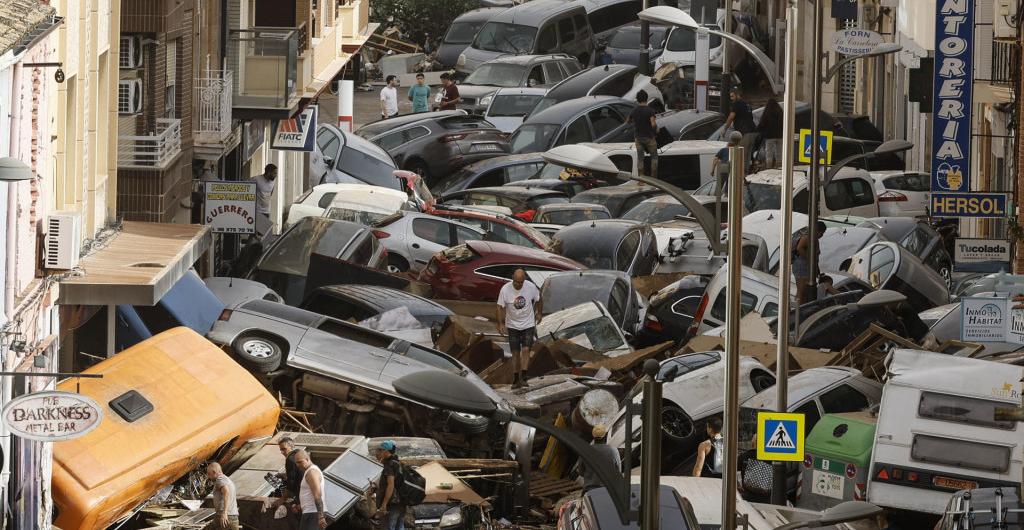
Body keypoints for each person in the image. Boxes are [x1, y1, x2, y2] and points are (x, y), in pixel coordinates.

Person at [496, 268, 542, 389]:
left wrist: (539, 313)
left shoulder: (531, 287)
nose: (518, 285)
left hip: (528, 324)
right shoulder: (505, 289)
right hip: (512, 325)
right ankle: (516, 378)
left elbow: (539, 298)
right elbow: (499, 307)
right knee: (515, 353)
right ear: (512, 278)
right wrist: (500, 323)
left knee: (526, 349)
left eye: (520, 282)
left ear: (524, 280)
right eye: (516, 282)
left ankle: (524, 376)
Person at [722, 87, 756, 172]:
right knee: (748, 156)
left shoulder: (737, 103)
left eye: (732, 96)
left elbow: (731, 117)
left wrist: (725, 129)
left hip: (745, 132)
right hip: (753, 132)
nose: (731, 99)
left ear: (737, 95)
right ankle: (747, 173)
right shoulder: (747, 104)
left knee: (742, 155)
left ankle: (742, 176)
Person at [579, 425, 621, 492]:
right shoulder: (613, 451)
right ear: (605, 436)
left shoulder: (585, 450)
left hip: (589, 490)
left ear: (593, 436)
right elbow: (618, 472)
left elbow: (581, 472)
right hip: (608, 490)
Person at [375, 440, 406, 530]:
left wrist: (384, 504)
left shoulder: (389, 465)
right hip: (402, 500)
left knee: (389, 527)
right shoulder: (397, 462)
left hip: (393, 503)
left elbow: (390, 485)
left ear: (386, 451)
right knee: (400, 526)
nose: (378, 452)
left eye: (380, 450)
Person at [627, 90, 658, 178]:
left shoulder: (634, 110)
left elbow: (628, 121)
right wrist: (655, 131)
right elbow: (653, 124)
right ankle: (654, 179)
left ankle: (641, 179)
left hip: (638, 138)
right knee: (654, 158)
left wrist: (635, 121)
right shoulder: (650, 111)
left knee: (640, 158)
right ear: (646, 98)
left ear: (637, 99)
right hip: (649, 137)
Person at [295, 449, 328, 530]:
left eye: (300, 462)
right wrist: (300, 506)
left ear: (307, 459)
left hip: (313, 513)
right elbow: (309, 495)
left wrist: (320, 517)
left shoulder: (312, 472)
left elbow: (317, 495)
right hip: (311, 512)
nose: (298, 465)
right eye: (296, 463)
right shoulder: (309, 472)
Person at [795, 221, 827, 304]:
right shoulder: (807, 237)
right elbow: (799, 248)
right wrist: (810, 259)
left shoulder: (815, 240)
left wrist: (817, 268)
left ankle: (801, 306)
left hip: (809, 266)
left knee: (805, 290)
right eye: (821, 232)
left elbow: (816, 256)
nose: (822, 235)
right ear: (817, 230)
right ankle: (798, 309)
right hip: (802, 266)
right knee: (801, 290)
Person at [204, 463, 239, 530]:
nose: (208, 476)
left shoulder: (220, 479)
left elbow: (226, 492)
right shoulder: (228, 480)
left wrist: (224, 513)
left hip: (224, 517)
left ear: (214, 472)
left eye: (209, 474)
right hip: (234, 516)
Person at [271, 437, 303, 511]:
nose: (282, 452)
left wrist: (282, 499)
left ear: (291, 447)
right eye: (281, 450)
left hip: (301, 495)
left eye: (284, 449)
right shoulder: (299, 455)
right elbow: (298, 473)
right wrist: (285, 475)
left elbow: (291, 483)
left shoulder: (290, 459)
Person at [758, 97, 783, 169]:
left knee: (769, 153)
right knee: (779, 152)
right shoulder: (780, 112)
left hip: (769, 136)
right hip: (779, 135)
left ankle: (769, 167)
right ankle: (779, 166)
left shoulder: (767, 112)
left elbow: (762, 123)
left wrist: (759, 130)